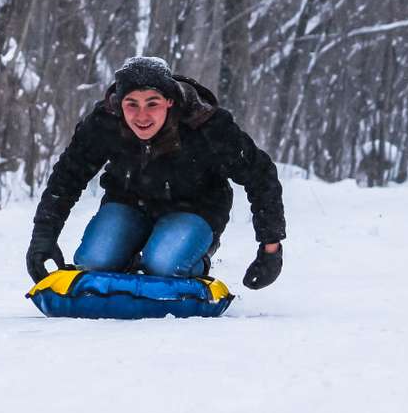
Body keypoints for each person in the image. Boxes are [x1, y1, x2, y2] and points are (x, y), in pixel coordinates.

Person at [26, 56, 286, 290]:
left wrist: (270, 248)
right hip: (128, 205)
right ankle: (129, 254)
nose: (142, 116)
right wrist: (44, 237)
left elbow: (260, 176)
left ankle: (191, 258)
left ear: (169, 101)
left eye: (152, 103)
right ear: (119, 103)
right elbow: (67, 177)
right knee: (94, 262)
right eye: (132, 104)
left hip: (194, 211)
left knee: (163, 265)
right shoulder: (104, 122)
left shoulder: (207, 125)